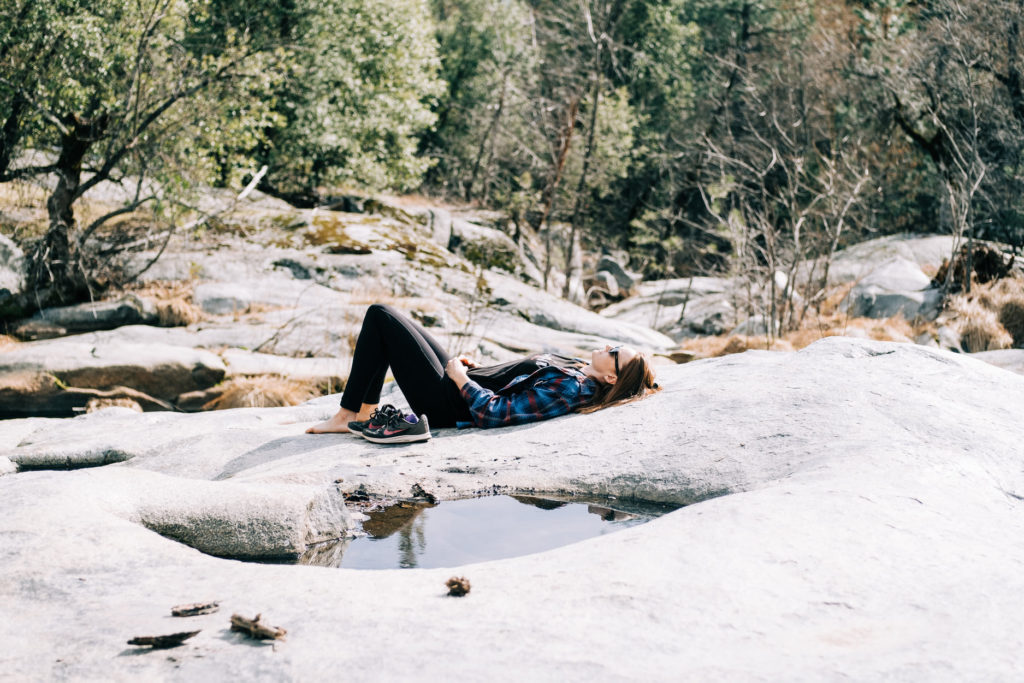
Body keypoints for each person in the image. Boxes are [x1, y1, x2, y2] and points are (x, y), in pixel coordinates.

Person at [306, 303, 660, 441]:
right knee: (389, 321)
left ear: (612, 378)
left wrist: (460, 378)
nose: (607, 347)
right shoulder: (579, 371)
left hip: (448, 403)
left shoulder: (570, 391)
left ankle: (348, 413)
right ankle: (359, 410)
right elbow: (516, 381)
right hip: (461, 382)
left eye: (614, 354)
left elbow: (496, 413)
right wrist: (474, 369)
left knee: (381, 317)